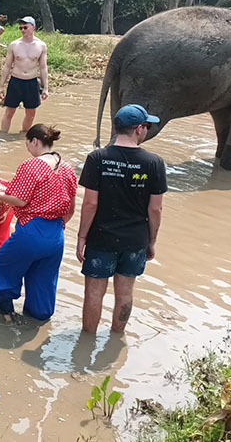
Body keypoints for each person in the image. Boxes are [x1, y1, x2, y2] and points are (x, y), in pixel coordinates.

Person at [77, 105, 166, 334]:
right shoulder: (154, 163)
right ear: (138, 129)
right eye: (146, 126)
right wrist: (152, 241)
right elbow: (155, 209)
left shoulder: (97, 158)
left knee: (94, 292)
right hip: (135, 240)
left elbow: (90, 204)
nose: (146, 130)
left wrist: (81, 237)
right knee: (125, 293)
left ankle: (87, 340)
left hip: (101, 238)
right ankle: (117, 336)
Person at [0, 124, 77, 321]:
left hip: (32, 231)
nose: (28, 148)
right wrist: (57, 226)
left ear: (35, 141)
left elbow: (20, 200)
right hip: (57, 234)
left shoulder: (31, 165)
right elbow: (71, 208)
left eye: (28, 144)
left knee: (1, 264)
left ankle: (6, 315)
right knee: (43, 279)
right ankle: (38, 318)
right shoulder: (66, 168)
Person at [0, 17, 49, 134]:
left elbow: (43, 67)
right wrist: (1, 86)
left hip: (31, 82)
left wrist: (46, 88)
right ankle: (3, 135)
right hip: (16, 81)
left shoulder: (41, 45)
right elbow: (7, 66)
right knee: (9, 111)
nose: (23, 30)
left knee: (31, 113)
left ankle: (24, 135)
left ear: (33, 27)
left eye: (25, 27)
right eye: (20, 28)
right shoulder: (14, 45)